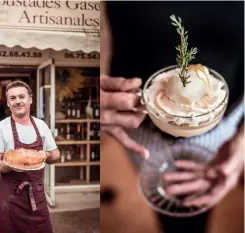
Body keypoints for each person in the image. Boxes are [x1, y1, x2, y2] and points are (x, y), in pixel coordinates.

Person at [101, 1, 244, 233]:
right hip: (140, 121)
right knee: (168, 204)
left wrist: (243, 139)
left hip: (225, 124)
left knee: (197, 205)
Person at [0, 80, 60, 233]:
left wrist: (44, 155)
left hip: (36, 195)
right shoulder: (0, 128)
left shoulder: (41, 126)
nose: (18, 101)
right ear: (8, 103)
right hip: (9, 198)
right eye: (13, 98)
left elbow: (56, 155)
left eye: (21, 96)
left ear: (30, 99)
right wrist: (11, 165)